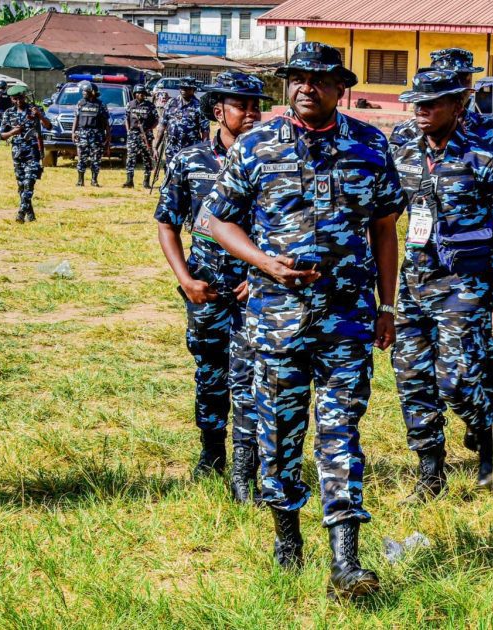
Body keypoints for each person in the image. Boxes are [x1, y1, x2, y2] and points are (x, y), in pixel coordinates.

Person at [206, 42, 403, 600]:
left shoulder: (369, 144)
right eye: (297, 77)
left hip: (346, 320)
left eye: (319, 79)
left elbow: (385, 230)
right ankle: (287, 537)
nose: (306, 87)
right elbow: (215, 218)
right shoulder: (257, 145)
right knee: (280, 434)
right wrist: (262, 261)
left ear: (341, 87)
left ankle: (346, 561)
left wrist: (387, 307)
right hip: (276, 322)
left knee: (341, 434)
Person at [392, 69, 493, 502]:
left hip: (467, 284)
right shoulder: (404, 158)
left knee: (456, 380)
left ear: (457, 105)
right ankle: (430, 472)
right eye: (418, 103)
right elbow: (382, 219)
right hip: (416, 283)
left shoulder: (484, 160)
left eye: (432, 103)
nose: (422, 110)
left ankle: (487, 438)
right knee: (412, 378)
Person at [154, 72, 271, 503]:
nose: (253, 112)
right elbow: (167, 223)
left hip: (254, 288)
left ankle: (251, 461)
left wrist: (259, 276)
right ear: (218, 111)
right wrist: (185, 280)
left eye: (257, 104)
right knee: (210, 372)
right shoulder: (190, 160)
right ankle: (211, 452)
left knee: (253, 376)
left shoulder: (271, 159)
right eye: (242, 105)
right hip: (206, 287)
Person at [0, 85, 51, 223]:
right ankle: (31, 215)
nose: (18, 101)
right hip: (17, 154)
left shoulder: (34, 110)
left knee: (29, 183)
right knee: (22, 186)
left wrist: (40, 115)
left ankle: (21, 213)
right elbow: (0, 136)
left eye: (20, 98)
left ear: (24, 97)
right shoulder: (8, 113)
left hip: (33, 152)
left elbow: (48, 126)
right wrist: (12, 132)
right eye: (15, 99)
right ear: (11, 99)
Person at [157, 77, 209, 166]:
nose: (183, 90)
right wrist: (155, 146)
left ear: (193, 90)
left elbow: (205, 131)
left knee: (188, 177)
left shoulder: (199, 106)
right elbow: (162, 125)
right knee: (170, 176)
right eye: (182, 88)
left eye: (187, 88)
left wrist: (204, 151)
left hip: (191, 150)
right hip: (172, 149)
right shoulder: (171, 103)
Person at [71, 81, 110, 187]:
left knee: (96, 159)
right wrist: (73, 132)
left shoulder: (101, 104)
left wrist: (108, 137)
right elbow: (76, 118)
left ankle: (94, 180)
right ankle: (80, 180)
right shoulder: (80, 103)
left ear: (92, 92)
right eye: (83, 91)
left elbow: (106, 122)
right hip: (83, 134)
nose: (83, 93)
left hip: (97, 135)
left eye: (85, 91)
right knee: (81, 159)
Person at [123, 84, 159, 189]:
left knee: (147, 158)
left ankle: (146, 182)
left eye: (142, 93)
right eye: (138, 93)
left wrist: (149, 129)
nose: (141, 95)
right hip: (133, 134)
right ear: (135, 94)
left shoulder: (150, 106)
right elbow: (126, 118)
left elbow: (156, 120)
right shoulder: (130, 104)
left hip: (146, 136)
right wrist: (128, 130)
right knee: (130, 158)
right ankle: (129, 181)